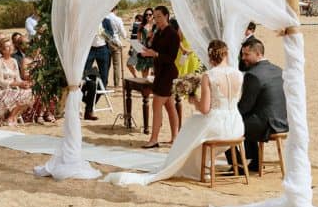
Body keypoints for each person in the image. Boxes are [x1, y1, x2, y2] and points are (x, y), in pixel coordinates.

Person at [104, 40, 244, 186]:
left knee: (190, 126)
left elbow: (204, 109)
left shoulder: (209, 76)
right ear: (226, 54)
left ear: (210, 57)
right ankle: (200, 166)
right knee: (195, 127)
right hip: (236, 125)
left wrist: (193, 99)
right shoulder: (239, 74)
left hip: (219, 126)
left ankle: (187, 166)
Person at [236, 39, 289, 172]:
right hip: (282, 121)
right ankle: (254, 160)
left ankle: (238, 164)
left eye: (247, 55)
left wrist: (229, 111)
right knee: (247, 119)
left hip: (266, 124)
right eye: (243, 54)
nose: (243, 58)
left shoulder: (253, 75)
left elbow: (245, 106)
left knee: (227, 124)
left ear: (258, 54)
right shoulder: (278, 70)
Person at [141, 6, 181, 148]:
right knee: (170, 106)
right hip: (159, 72)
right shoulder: (158, 32)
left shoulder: (173, 34)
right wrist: (148, 50)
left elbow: (171, 58)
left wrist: (155, 54)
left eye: (159, 16)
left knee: (156, 104)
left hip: (168, 74)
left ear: (166, 16)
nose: (156, 19)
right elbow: (155, 49)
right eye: (155, 17)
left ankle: (154, 139)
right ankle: (175, 138)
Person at [0, 38, 33, 125]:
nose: (10, 48)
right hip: (0, 90)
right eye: (7, 46)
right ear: (2, 49)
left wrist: (24, 83)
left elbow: (18, 79)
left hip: (13, 89)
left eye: (11, 45)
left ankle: (12, 116)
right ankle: (8, 118)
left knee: (29, 92)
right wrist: (17, 83)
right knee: (16, 93)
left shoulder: (14, 61)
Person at [102, 6, 127, 88]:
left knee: (106, 64)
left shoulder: (103, 17)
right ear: (115, 9)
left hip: (105, 42)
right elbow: (124, 34)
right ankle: (116, 84)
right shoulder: (118, 19)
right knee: (116, 64)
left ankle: (104, 83)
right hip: (116, 42)